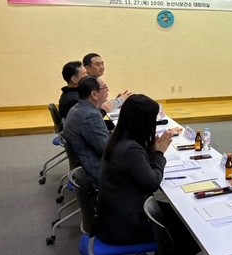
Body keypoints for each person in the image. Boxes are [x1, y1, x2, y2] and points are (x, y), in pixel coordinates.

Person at [97, 94, 175, 245]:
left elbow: (136, 165)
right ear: (143, 122)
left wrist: (151, 150)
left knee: (176, 214)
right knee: (187, 229)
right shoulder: (130, 149)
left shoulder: (118, 136)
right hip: (126, 225)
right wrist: (159, 154)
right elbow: (152, 183)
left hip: (114, 215)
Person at [61, 76, 110, 185]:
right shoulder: (90, 115)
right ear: (94, 94)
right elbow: (106, 150)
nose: (108, 90)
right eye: (105, 87)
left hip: (84, 162)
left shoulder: (76, 108)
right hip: (96, 169)